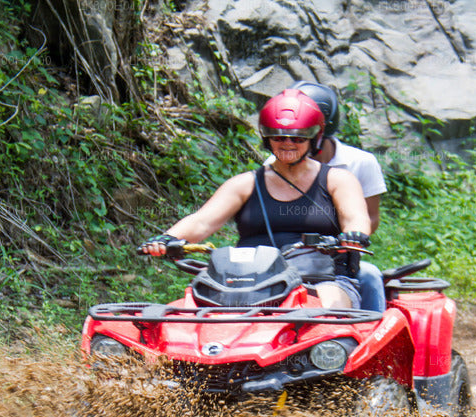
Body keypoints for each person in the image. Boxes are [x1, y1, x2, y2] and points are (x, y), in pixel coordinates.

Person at [139, 90, 371, 309]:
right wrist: (167, 238)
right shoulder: (245, 183)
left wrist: (354, 235)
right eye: (279, 136)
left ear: (314, 138)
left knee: (331, 311)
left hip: (322, 280)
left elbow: (356, 218)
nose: (288, 143)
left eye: (297, 138)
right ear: (267, 137)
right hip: (247, 281)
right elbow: (202, 221)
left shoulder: (337, 179)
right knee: (188, 310)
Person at [284, 81, 388, 312]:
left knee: (370, 276)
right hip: (286, 256)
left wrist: (347, 240)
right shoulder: (275, 166)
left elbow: (370, 217)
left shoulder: (360, 162)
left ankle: (373, 338)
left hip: (338, 258)